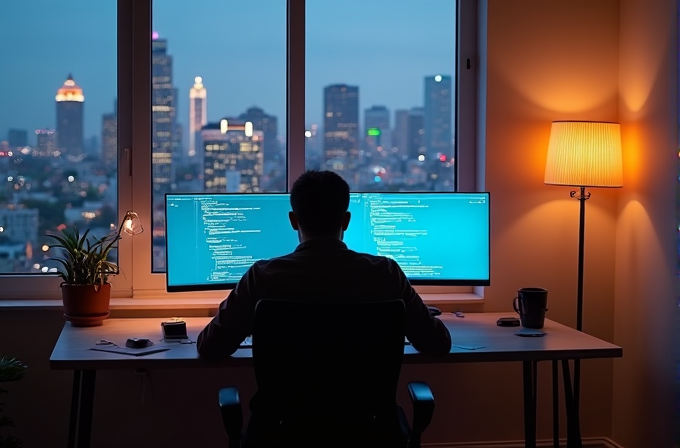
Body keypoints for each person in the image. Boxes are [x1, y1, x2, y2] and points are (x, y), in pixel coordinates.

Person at [196, 170, 452, 359]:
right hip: (367, 425)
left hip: (283, 427)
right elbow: (438, 344)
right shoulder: (386, 274)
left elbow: (210, 347)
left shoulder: (262, 277)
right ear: (346, 221)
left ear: (293, 221)